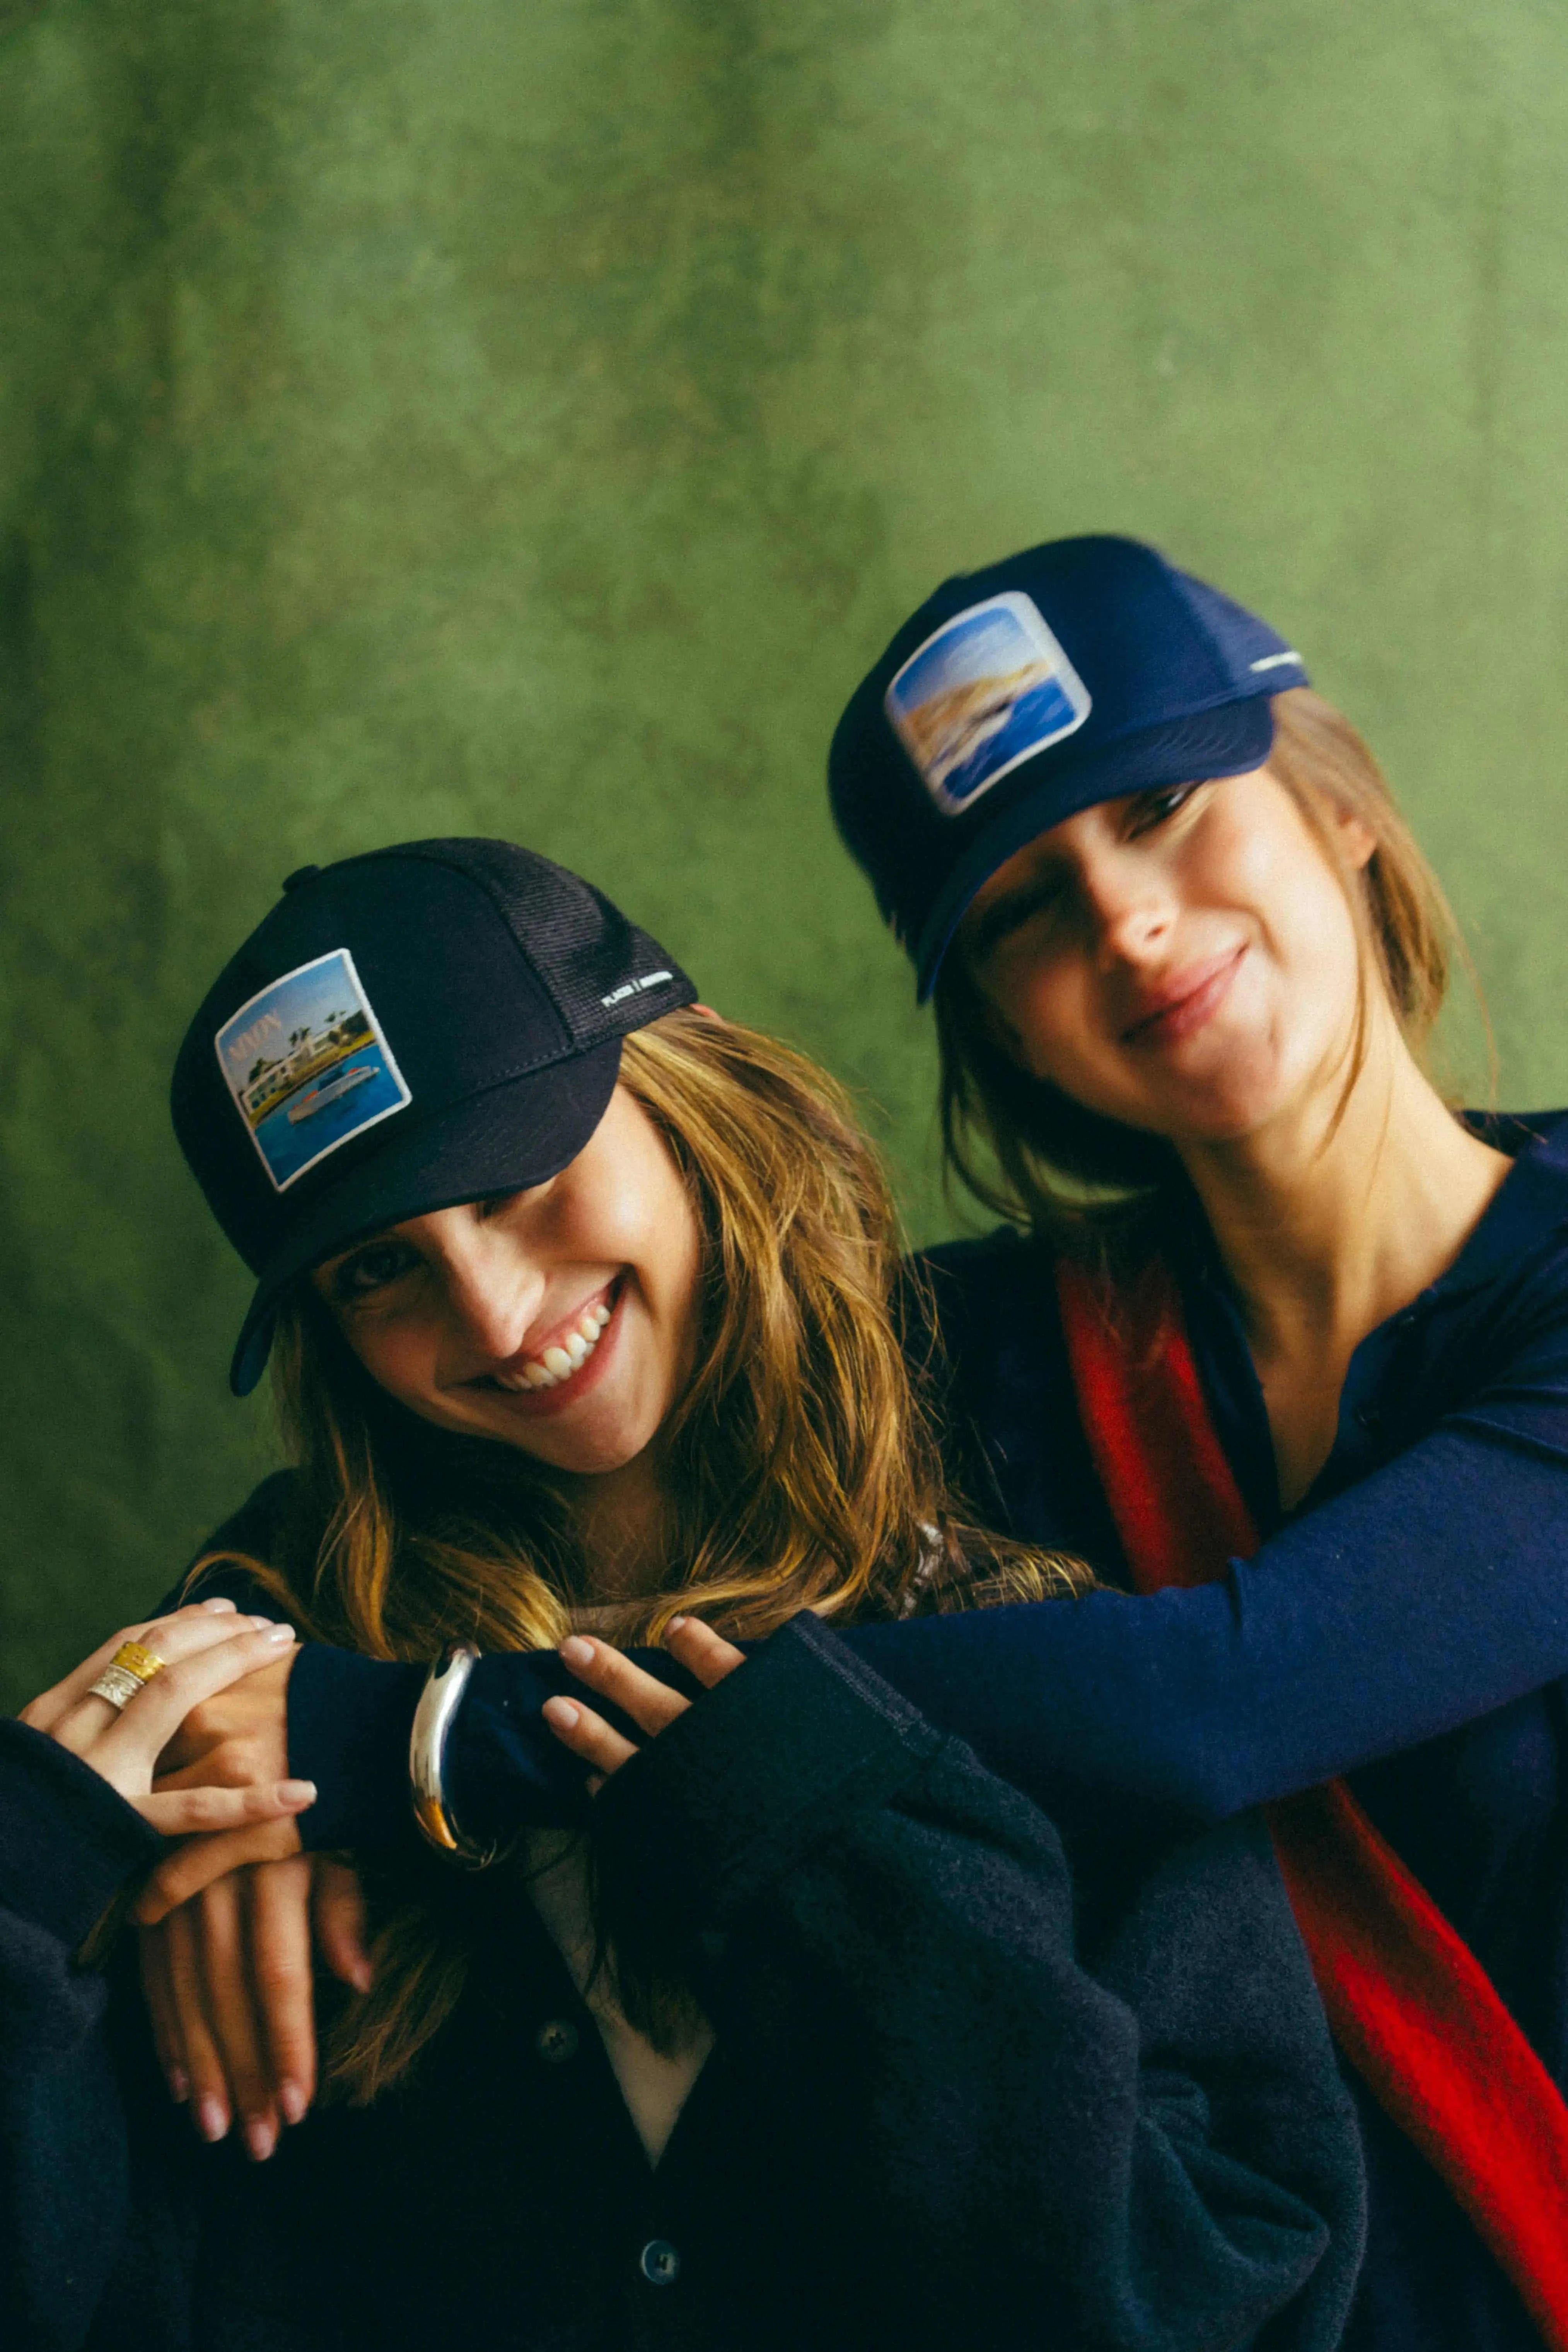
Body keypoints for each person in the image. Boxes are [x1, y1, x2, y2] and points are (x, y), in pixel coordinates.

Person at [133, 548, 1568, 2352]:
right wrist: (230, 1750)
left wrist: (421, 1740)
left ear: (1340, 801)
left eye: (1164, 804)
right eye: (1025, 909)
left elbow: (1226, 1695)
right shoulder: (1001, 1346)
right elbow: (497, 1449)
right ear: (991, 1020)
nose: (1124, 923)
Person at [0, 838, 1364, 2352]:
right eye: (379, 1270)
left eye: (517, 1176)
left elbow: (1217, 2294)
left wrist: (816, 1834)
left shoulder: (1024, 1599)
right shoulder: (255, 1699)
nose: (498, 1315)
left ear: (684, 1090)